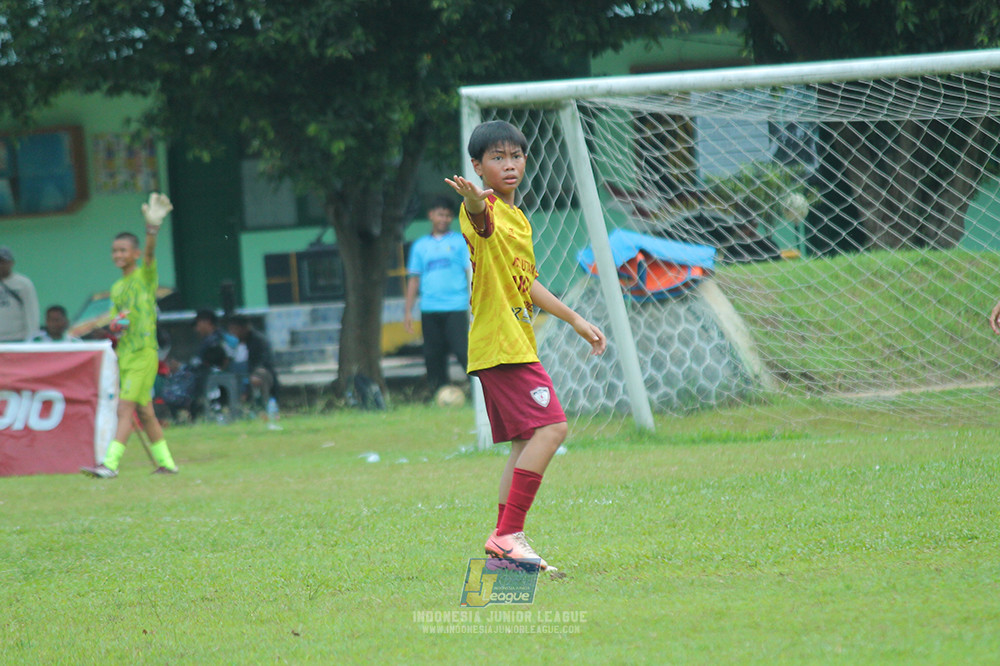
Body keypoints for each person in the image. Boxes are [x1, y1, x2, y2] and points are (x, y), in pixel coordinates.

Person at [445, 121, 607, 573]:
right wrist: (475, 201)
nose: (509, 164)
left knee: (523, 443)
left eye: (515, 156)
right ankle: (507, 534)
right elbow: (480, 219)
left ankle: (503, 547)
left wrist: (574, 318)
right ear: (478, 167)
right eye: (496, 158)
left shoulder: (520, 219)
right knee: (553, 428)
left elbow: (526, 280)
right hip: (501, 344)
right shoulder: (483, 209)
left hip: (512, 342)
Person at [81, 193, 179, 478]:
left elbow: (150, 254)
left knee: (125, 411)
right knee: (146, 413)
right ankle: (167, 463)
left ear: (135, 254)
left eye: (123, 250)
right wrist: (116, 326)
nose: (118, 255)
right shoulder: (117, 288)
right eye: (115, 251)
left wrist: (152, 229)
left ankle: (109, 464)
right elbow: (116, 323)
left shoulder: (145, 277)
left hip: (144, 355)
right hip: (126, 355)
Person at [404, 196, 471, 394]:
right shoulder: (420, 246)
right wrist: (408, 311)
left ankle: (478, 390)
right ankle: (439, 393)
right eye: (440, 214)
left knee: (463, 351)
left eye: (448, 215)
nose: (444, 219)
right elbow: (414, 279)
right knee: (433, 355)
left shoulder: (460, 242)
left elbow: (470, 273)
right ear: (431, 215)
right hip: (430, 308)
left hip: (456, 307)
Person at [226, 313, 280, 413]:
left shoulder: (258, 341)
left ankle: (265, 409)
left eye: (234, 329)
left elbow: (264, 362)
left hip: (261, 374)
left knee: (258, 377)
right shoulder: (237, 344)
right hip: (242, 375)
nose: (232, 333)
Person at [0, 245, 40, 342]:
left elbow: (32, 311)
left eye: (3, 261)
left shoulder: (23, 283)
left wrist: (31, 338)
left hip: (18, 339)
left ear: (11, 263)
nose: (0, 265)